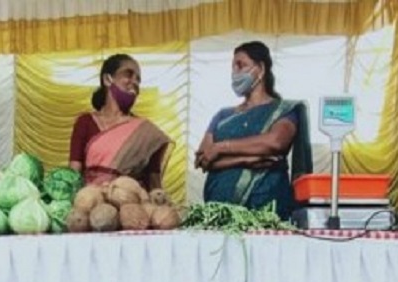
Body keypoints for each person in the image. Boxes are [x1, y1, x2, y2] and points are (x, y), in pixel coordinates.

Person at [194, 41, 313, 219]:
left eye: (241, 65)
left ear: (261, 69)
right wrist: (247, 159)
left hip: (266, 211)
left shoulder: (283, 110)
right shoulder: (222, 116)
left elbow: (275, 142)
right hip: (218, 213)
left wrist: (220, 148)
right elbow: (203, 159)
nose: (235, 72)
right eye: (233, 67)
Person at [69, 54, 171, 191]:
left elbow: (154, 183)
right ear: (107, 79)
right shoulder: (85, 122)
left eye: (138, 79)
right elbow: (74, 174)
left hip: (129, 201)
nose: (134, 82)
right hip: (90, 200)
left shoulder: (145, 132)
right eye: (128, 75)